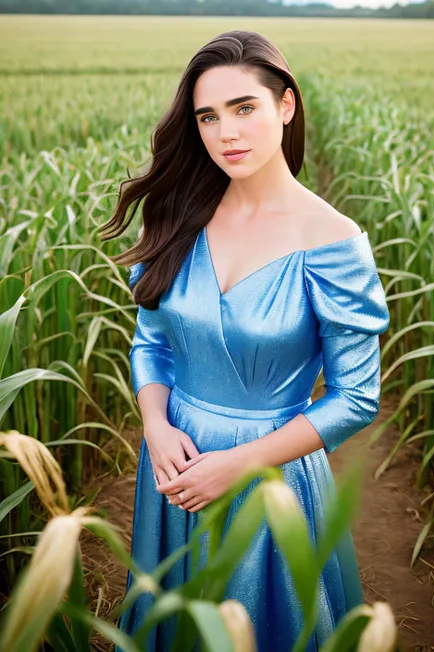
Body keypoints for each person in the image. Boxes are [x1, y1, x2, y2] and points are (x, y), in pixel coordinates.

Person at [102, 29, 390, 652]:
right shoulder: (181, 213)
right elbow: (150, 342)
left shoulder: (335, 241)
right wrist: (154, 423)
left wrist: (237, 464)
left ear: (285, 106)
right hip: (173, 471)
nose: (225, 133)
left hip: (270, 484)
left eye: (244, 108)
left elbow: (357, 398)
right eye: (208, 116)